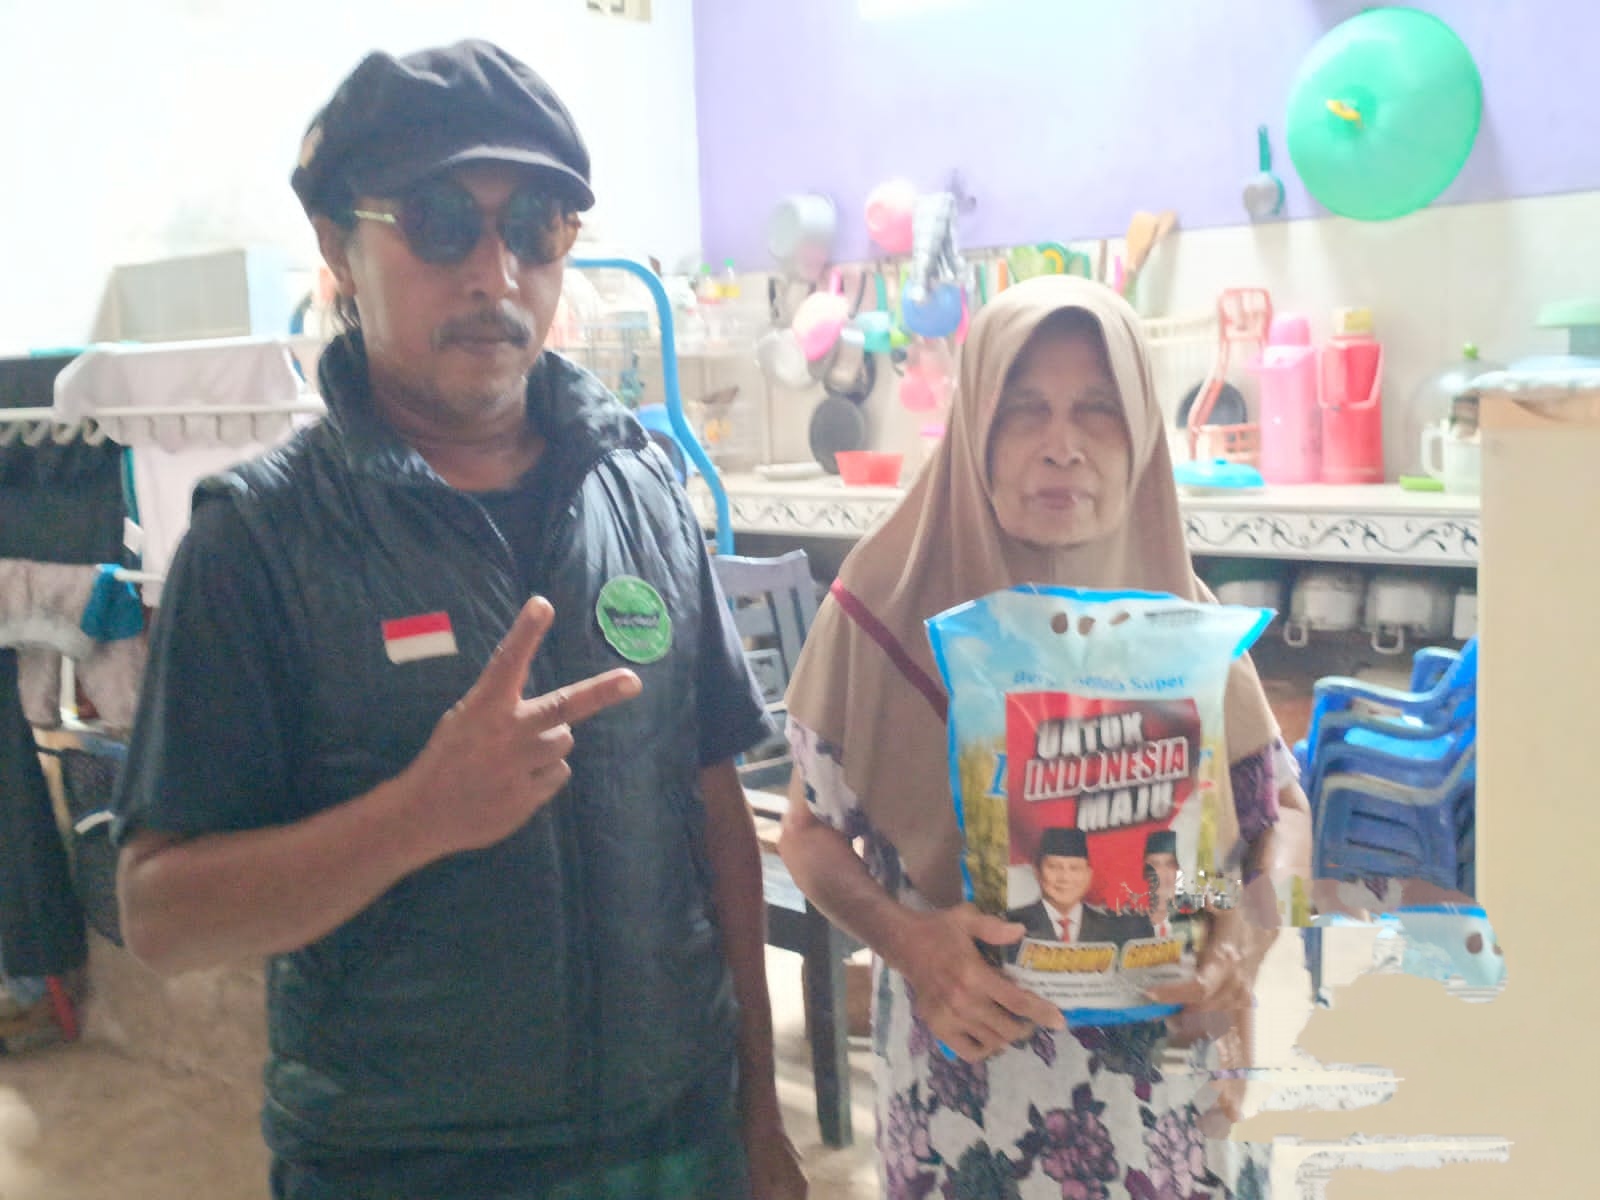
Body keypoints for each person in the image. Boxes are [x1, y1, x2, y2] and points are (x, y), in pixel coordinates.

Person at [111, 40, 805, 1200]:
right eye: (439, 222)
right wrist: (416, 816)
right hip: (407, 1164)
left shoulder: (643, 492)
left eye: (535, 226)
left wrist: (758, 1110)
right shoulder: (259, 542)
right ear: (340, 247)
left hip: (674, 1139)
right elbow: (160, 916)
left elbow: (712, 804)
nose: (494, 271)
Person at [779, 275, 1311, 1198]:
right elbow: (807, 835)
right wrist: (909, 942)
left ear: (1141, 435)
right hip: (965, 1096)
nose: (1062, 446)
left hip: (1165, 1099)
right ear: (975, 431)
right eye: (1024, 410)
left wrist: (1247, 939)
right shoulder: (881, 611)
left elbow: (1286, 817)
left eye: (1098, 409)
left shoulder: (1184, 616)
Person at [1004, 827, 1144, 945]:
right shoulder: (1010, 923)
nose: (1065, 878)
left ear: (1089, 875)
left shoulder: (1114, 928)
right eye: (1054, 867)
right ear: (1037, 872)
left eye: (1075, 868)